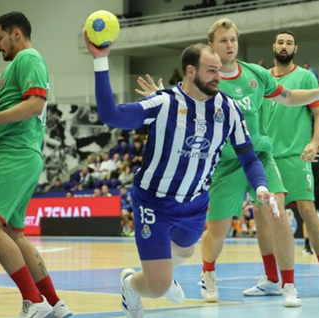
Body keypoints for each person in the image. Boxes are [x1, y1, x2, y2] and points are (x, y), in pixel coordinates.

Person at [135, 20, 319, 307]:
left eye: (233, 39)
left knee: (278, 214)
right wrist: (157, 98)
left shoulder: (256, 74)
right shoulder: (206, 79)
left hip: (259, 157)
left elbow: (289, 97)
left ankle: (288, 284)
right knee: (218, 231)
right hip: (224, 163)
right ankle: (207, 272)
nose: (230, 45)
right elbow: (179, 102)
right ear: (212, 46)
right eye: (223, 41)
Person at [86, 35, 280, 317]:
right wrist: (100, 60)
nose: (218, 77)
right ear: (191, 71)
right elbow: (112, 116)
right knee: (159, 286)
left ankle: (157, 273)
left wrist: (260, 186)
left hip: (196, 203)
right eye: (211, 71)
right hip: (154, 202)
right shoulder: (162, 103)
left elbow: (248, 156)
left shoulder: (228, 109)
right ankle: (130, 284)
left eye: (219, 70)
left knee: (187, 251)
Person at [0, 12, 71, 318]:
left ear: (16, 34)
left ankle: (32, 301)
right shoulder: (17, 66)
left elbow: (35, 103)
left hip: (11, 153)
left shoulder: (28, 58)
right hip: (22, 154)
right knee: (14, 234)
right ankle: (54, 303)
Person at [256, 29, 319, 297]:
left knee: (308, 209)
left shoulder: (305, 77)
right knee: (263, 216)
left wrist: (315, 143)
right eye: (280, 42)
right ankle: (272, 279)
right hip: (266, 158)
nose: (284, 46)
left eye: (289, 43)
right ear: (273, 46)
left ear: (295, 49)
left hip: (296, 156)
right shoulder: (262, 80)